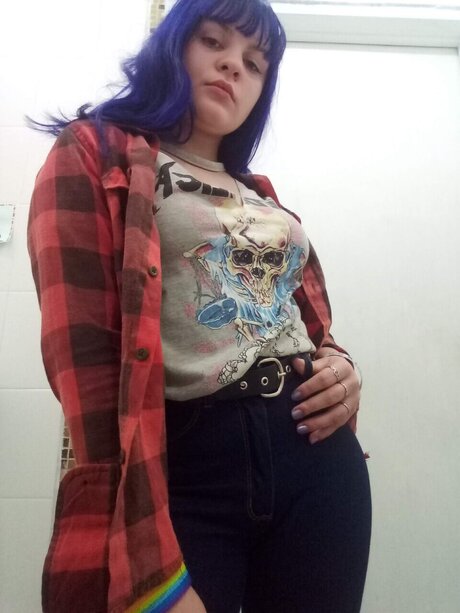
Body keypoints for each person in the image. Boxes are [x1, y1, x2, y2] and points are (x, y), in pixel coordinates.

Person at [27, 0, 371, 611]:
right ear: (174, 46)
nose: (233, 65)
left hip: (317, 457)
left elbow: (306, 326)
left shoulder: (262, 195)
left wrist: (342, 367)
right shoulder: (95, 151)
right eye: (213, 41)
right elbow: (85, 359)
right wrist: (144, 557)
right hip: (186, 466)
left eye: (255, 63)